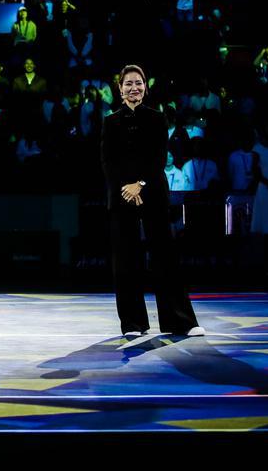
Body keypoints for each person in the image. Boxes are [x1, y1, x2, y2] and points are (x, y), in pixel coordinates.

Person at [100, 64, 203, 338]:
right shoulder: (110, 122)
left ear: (145, 87)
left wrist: (140, 185)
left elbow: (157, 158)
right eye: (129, 84)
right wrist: (126, 188)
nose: (134, 88)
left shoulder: (157, 119)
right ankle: (133, 324)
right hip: (122, 197)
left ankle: (180, 321)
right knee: (126, 259)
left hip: (152, 192)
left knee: (165, 256)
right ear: (120, 89)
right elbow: (109, 162)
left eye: (139, 83)